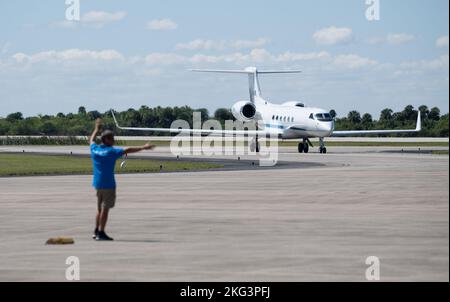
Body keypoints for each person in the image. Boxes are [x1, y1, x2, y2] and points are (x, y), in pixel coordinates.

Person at [89, 118, 154, 241]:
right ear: (106, 140)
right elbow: (128, 149)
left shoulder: (95, 149)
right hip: (108, 184)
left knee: (99, 209)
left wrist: (96, 129)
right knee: (105, 209)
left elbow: (91, 140)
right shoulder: (111, 151)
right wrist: (144, 147)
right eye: (111, 138)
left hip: (97, 183)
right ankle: (101, 232)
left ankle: (96, 230)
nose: (113, 141)